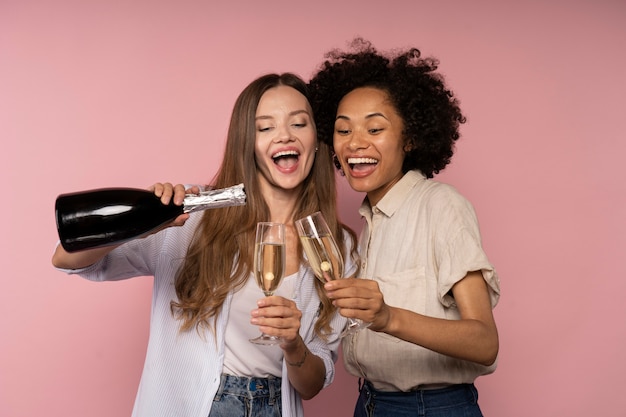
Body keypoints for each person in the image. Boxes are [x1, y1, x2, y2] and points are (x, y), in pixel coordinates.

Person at [52, 73, 358, 417]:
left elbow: (313, 384)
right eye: (265, 127)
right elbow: (69, 259)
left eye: (298, 123)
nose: (284, 135)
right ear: (248, 144)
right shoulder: (193, 215)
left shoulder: (338, 246)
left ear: (316, 139)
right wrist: (143, 227)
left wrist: (293, 344)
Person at [307, 38, 501, 417]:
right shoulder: (366, 225)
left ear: (410, 138)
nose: (355, 144)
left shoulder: (440, 205)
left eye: (375, 130)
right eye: (343, 131)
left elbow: (485, 341)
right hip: (369, 402)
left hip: (431, 407)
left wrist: (388, 317)